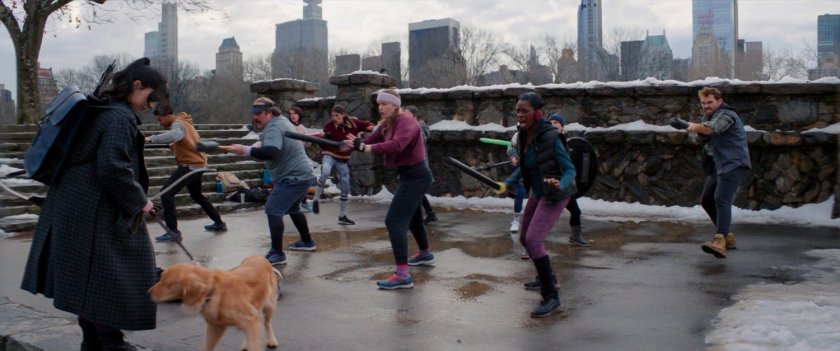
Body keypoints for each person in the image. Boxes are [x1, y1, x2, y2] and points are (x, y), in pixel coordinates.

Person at [20, 57, 167, 350]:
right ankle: (110, 341)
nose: (152, 106)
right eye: (152, 97)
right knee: (118, 273)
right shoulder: (118, 118)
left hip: (75, 206)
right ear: (137, 86)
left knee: (90, 278)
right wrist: (140, 202)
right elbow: (113, 167)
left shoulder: (103, 111)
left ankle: (94, 338)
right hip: (94, 211)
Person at [346, 89, 435, 290]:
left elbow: (396, 145)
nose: (380, 107)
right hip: (409, 177)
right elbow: (372, 139)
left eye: (384, 104)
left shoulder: (406, 122)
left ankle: (403, 275)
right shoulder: (387, 123)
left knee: (394, 221)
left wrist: (367, 149)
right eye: (379, 104)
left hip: (418, 177)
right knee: (412, 218)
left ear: (395, 105)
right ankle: (425, 253)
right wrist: (356, 142)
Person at [502, 92, 576, 318]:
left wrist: (558, 184)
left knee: (534, 240)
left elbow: (570, 171)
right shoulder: (523, 135)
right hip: (537, 190)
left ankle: (551, 296)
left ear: (537, 112)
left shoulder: (551, 136)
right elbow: (526, 166)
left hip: (555, 193)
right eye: (517, 110)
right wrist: (508, 183)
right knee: (525, 238)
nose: (520, 115)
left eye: (524, 110)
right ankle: (548, 277)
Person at [226, 97, 319, 265]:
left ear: (269, 112)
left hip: (293, 177)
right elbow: (268, 144)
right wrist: (255, 146)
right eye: (254, 113)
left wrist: (245, 149)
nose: (255, 117)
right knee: (293, 208)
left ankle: (277, 253)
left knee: (273, 209)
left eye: (259, 113)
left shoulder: (275, 127)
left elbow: (272, 152)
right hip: (301, 175)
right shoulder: (280, 121)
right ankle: (307, 242)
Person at [686, 87, 751, 259]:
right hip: (719, 165)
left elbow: (711, 129)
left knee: (721, 199)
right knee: (707, 200)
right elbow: (704, 136)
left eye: (710, 102)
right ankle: (727, 237)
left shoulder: (726, 115)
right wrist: (694, 129)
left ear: (719, 101)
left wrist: (693, 126)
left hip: (733, 164)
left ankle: (719, 240)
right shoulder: (709, 116)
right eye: (703, 103)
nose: (706, 106)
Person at [145, 105, 226, 242]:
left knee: (166, 193)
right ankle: (219, 223)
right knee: (197, 195)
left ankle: (173, 231)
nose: (159, 123)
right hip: (198, 164)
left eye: (160, 120)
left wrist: (150, 139)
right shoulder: (185, 122)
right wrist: (176, 146)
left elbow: (175, 135)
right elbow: (186, 140)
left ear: (167, 115)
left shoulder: (178, 124)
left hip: (189, 166)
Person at [311, 103, 374, 225]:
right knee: (325, 171)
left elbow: (366, 124)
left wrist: (369, 127)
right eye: (333, 116)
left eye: (337, 116)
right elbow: (322, 143)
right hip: (329, 153)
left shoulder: (354, 123)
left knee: (345, 186)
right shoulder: (329, 126)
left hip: (343, 158)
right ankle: (316, 199)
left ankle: (342, 216)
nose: (335, 118)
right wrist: (324, 138)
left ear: (343, 115)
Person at [547, 112, 589, 247]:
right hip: (550, 185)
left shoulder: (565, 144)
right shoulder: (546, 143)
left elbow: (571, 167)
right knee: (543, 215)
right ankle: (531, 242)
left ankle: (575, 236)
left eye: (556, 123)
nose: (553, 125)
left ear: (562, 128)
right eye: (550, 122)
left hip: (564, 185)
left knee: (576, 211)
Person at [404, 105, 438, 224]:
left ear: (414, 116)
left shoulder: (418, 129)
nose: (404, 117)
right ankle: (429, 213)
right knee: (417, 192)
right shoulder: (412, 128)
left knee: (414, 192)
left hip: (418, 166)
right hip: (412, 166)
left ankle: (418, 217)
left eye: (407, 114)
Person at [505, 131, 529, 259]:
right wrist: (513, 156)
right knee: (520, 192)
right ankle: (516, 220)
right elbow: (510, 148)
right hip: (520, 167)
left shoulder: (540, 133)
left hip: (534, 168)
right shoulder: (517, 135)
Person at [288, 105, 314, 213]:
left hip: (300, 158)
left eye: (295, 113)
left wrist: (309, 141)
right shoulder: (288, 126)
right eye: (291, 114)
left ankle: (302, 201)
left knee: (304, 179)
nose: (293, 116)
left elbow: (307, 145)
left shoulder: (303, 128)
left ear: (299, 115)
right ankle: (298, 202)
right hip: (290, 158)